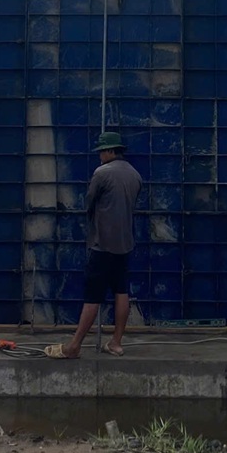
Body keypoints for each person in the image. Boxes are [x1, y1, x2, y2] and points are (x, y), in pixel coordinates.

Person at [45, 131, 143, 359]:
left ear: (110, 151)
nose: (100, 156)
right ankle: (116, 343)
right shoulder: (135, 175)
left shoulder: (102, 173)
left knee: (92, 296)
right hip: (125, 243)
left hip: (102, 244)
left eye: (101, 151)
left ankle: (74, 346)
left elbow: (89, 202)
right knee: (121, 292)